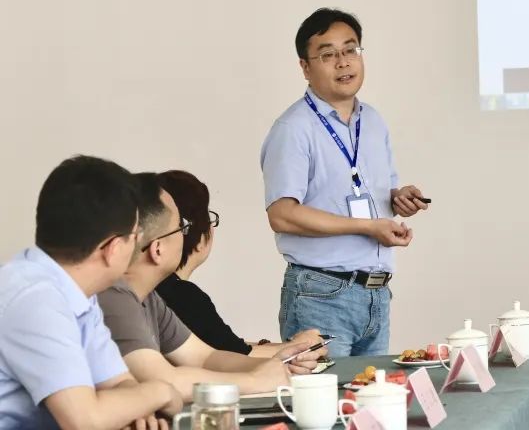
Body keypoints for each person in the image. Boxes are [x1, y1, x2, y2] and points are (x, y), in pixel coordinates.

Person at [262, 8, 429, 357]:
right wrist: (367, 226)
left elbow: (376, 193)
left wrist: (399, 198)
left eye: (350, 49)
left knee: (370, 392)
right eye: (327, 55)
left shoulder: (373, 121)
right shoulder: (293, 129)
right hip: (321, 294)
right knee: (325, 393)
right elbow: (282, 214)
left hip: (376, 294)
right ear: (305, 67)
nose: (343, 62)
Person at [98, 174, 324, 400]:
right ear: (157, 249)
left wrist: (276, 363)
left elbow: (206, 357)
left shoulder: (149, 298)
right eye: (181, 227)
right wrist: (255, 380)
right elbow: (165, 380)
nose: (187, 234)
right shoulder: (114, 296)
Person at [0, 156, 182, 429]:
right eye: (135, 236)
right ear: (113, 248)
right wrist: (160, 391)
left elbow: (119, 383)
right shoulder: (35, 299)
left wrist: (136, 409)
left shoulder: (81, 295)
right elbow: (85, 420)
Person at [154, 169, 322, 356]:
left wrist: (280, 346)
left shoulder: (157, 292)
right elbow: (234, 355)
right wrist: (303, 345)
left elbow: (222, 345)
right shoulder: (183, 297)